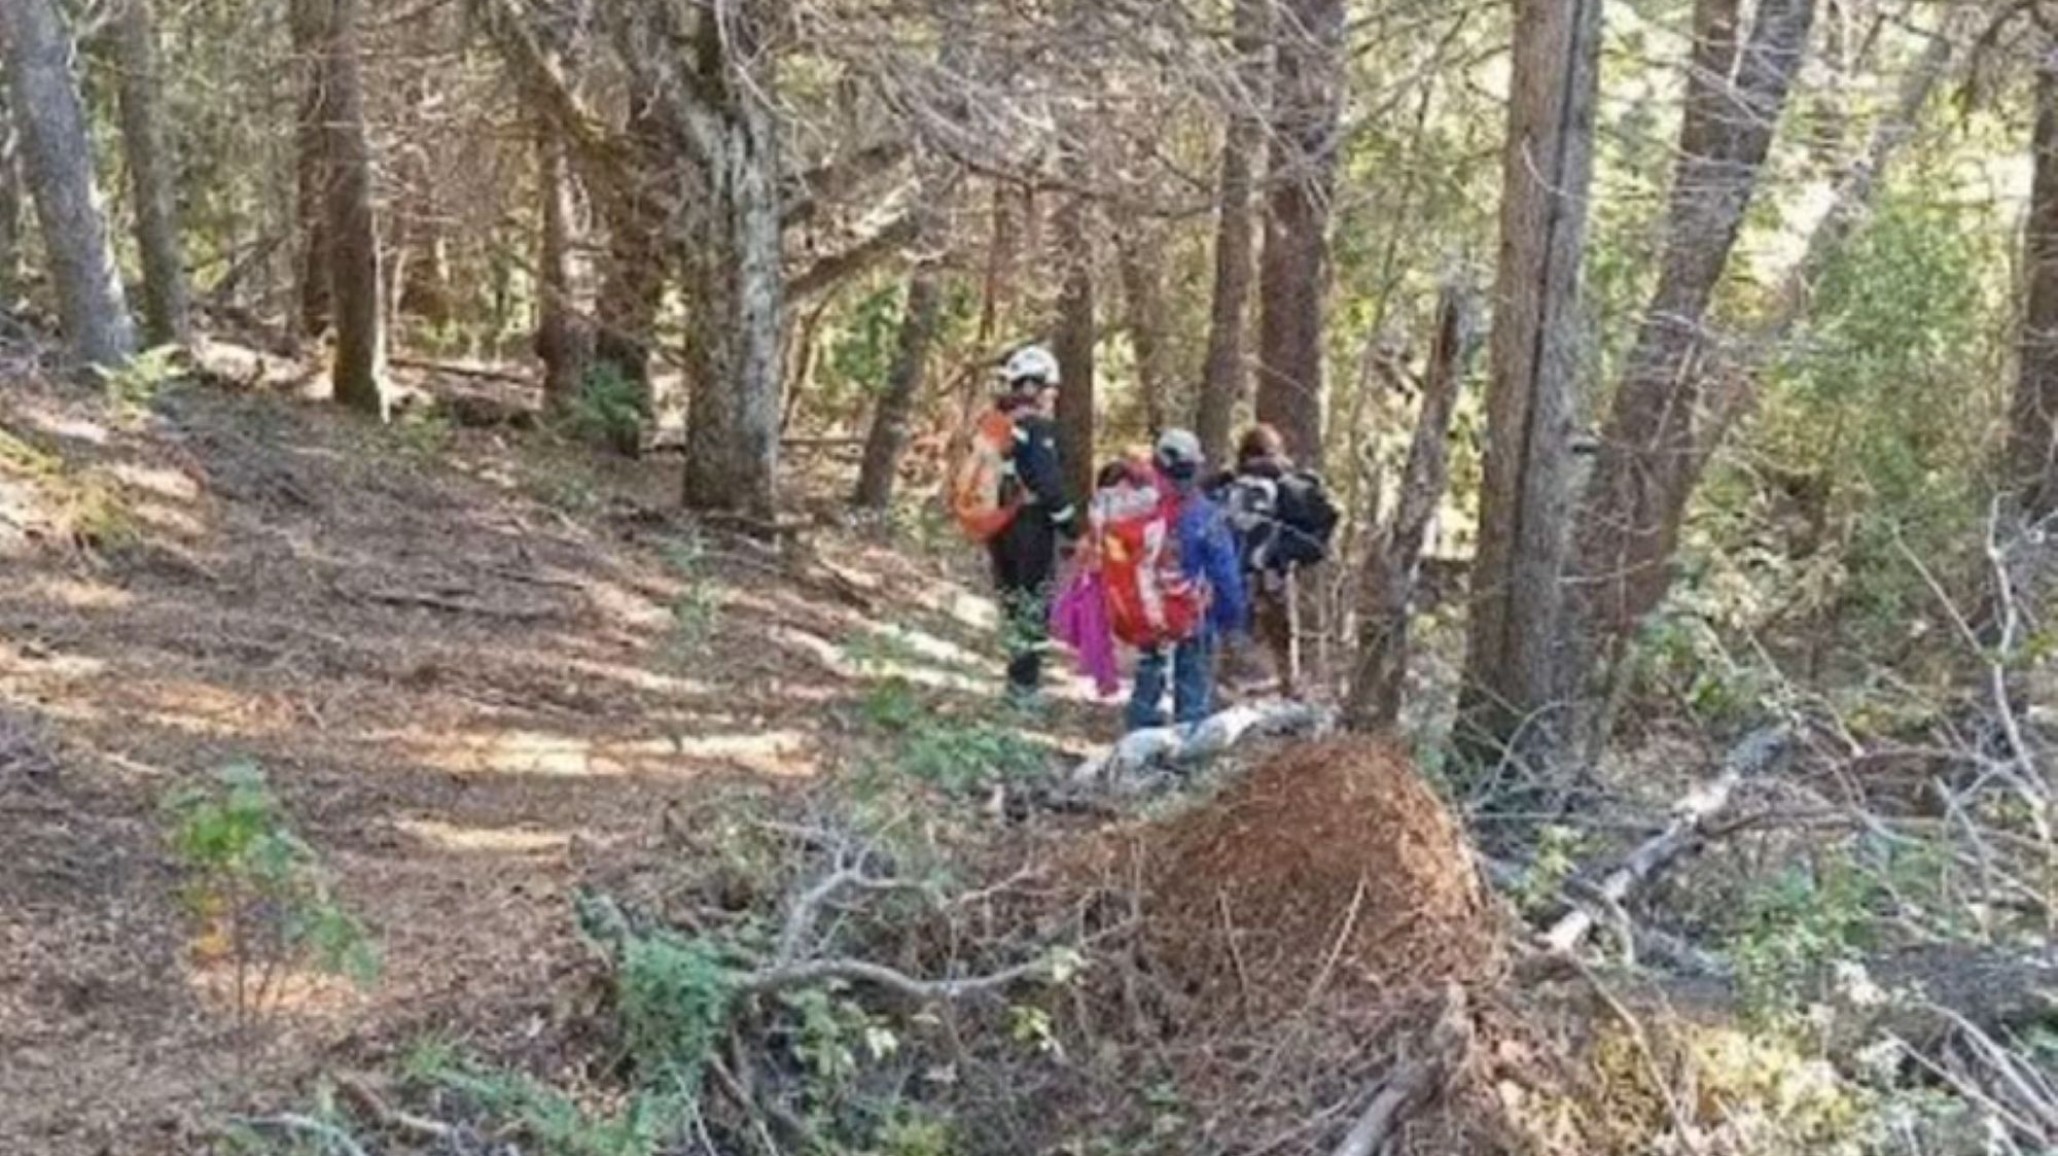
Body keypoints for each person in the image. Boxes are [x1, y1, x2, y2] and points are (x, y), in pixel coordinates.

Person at [1123, 428, 1246, 732]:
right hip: (1194, 619)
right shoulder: (1206, 516)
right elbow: (1225, 574)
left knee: (1148, 683)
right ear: (1196, 466)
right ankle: (1185, 760)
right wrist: (1231, 618)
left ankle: (1139, 746)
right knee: (1192, 692)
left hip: (1149, 616)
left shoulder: (1139, 508)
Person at [979, 344, 1076, 706]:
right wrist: (1071, 527)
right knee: (1033, 604)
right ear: (1034, 386)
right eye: (1050, 389)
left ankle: (1015, 680)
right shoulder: (1036, 428)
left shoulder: (996, 423)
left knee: (1013, 602)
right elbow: (1048, 484)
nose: (1053, 397)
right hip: (1030, 526)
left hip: (999, 526)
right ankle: (1025, 688)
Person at [1211, 423, 1338, 698]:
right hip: (1272, 574)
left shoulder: (1226, 484)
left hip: (1230, 573)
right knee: (1281, 634)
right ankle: (1288, 684)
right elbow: (1319, 519)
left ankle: (1226, 686)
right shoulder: (1286, 483)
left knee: (1231, 633)